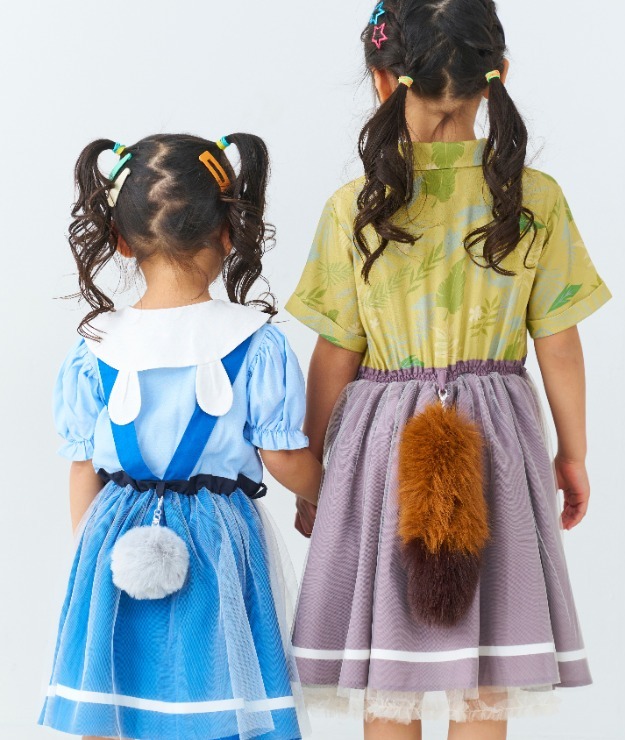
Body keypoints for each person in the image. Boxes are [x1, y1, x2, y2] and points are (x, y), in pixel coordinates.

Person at [286, 1, 611, 738]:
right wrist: (573, 451)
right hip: (498, 442)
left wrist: (313, 465)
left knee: (388, 668)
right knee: (487, 666)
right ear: (497, 76)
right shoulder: (533, 197)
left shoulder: (355, 207)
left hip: (381, 449)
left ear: (382, 78)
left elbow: (336, 351)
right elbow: (559, 340)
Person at [39, 133, 321, 740]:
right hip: (217, 537)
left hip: (115, 535)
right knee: (221, 692)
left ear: (120, 239)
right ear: (228, 232)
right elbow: (281, 456)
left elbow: (83, 466)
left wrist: (91, 556)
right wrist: (319, 495)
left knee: (115, 696)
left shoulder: (95, 347)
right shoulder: (256, 342)